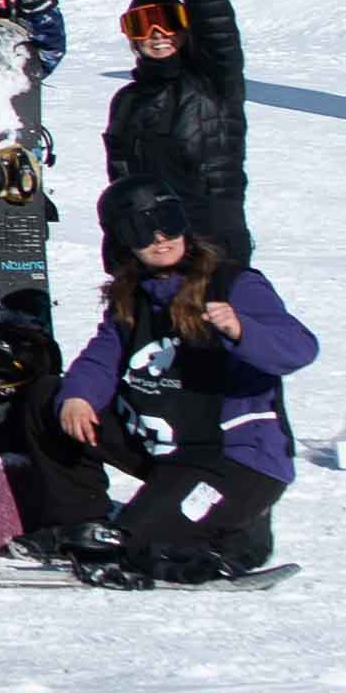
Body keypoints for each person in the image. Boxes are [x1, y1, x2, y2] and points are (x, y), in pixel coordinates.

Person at [56, 178, 314, 582]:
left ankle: (232, 535)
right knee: (46, 400)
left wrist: (241, 330)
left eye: (168, 221)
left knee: (140, 543)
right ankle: (81, 521)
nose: (160, 238)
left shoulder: (233, 285)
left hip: (235, 458)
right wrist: (77, 397)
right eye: (141, 230)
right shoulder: (133, 296)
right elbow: (100, 359)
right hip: (168, 452)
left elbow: (299, 348)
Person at [105, 0, 252, 263]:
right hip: (149, 244)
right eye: (143, 25)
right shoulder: (126, 102)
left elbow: (214, 16)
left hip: (213, 238)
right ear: (132, 37)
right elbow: (121, 185)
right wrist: (118, 250)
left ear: (186, 30)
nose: (157, 34)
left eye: (168, 22)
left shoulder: (212, 82)